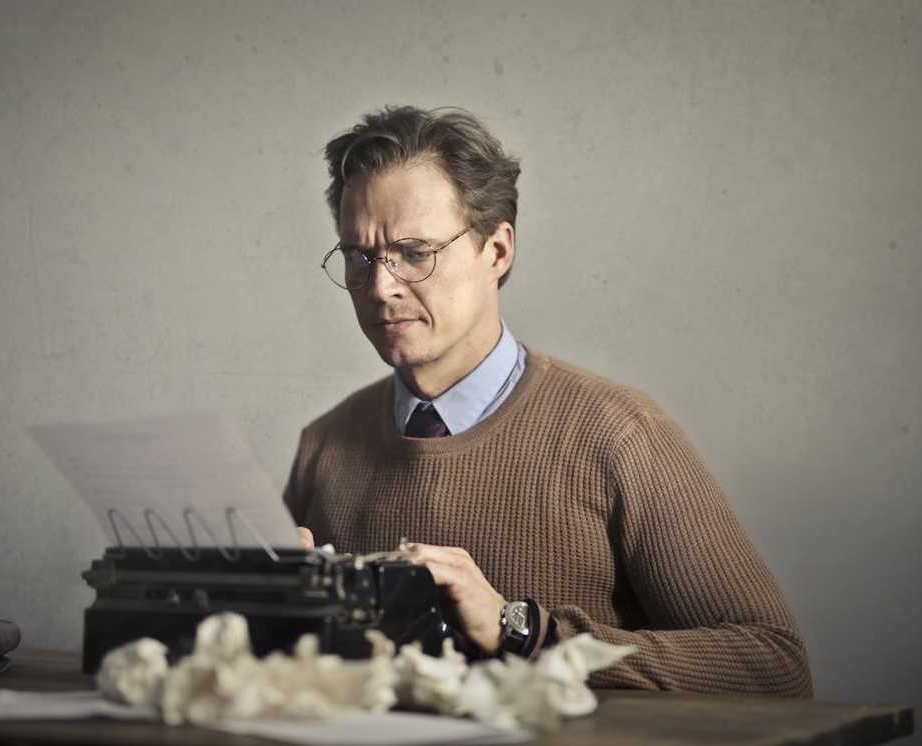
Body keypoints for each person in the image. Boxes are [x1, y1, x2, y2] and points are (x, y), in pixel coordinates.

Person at [284, 105, 813, 697]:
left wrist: (525, 630)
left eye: (415, 252)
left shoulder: (619, 434)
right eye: (361, 257)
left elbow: (774, 665)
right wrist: (263, 617)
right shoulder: (323, 446)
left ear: (498, 251)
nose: (381, 287)